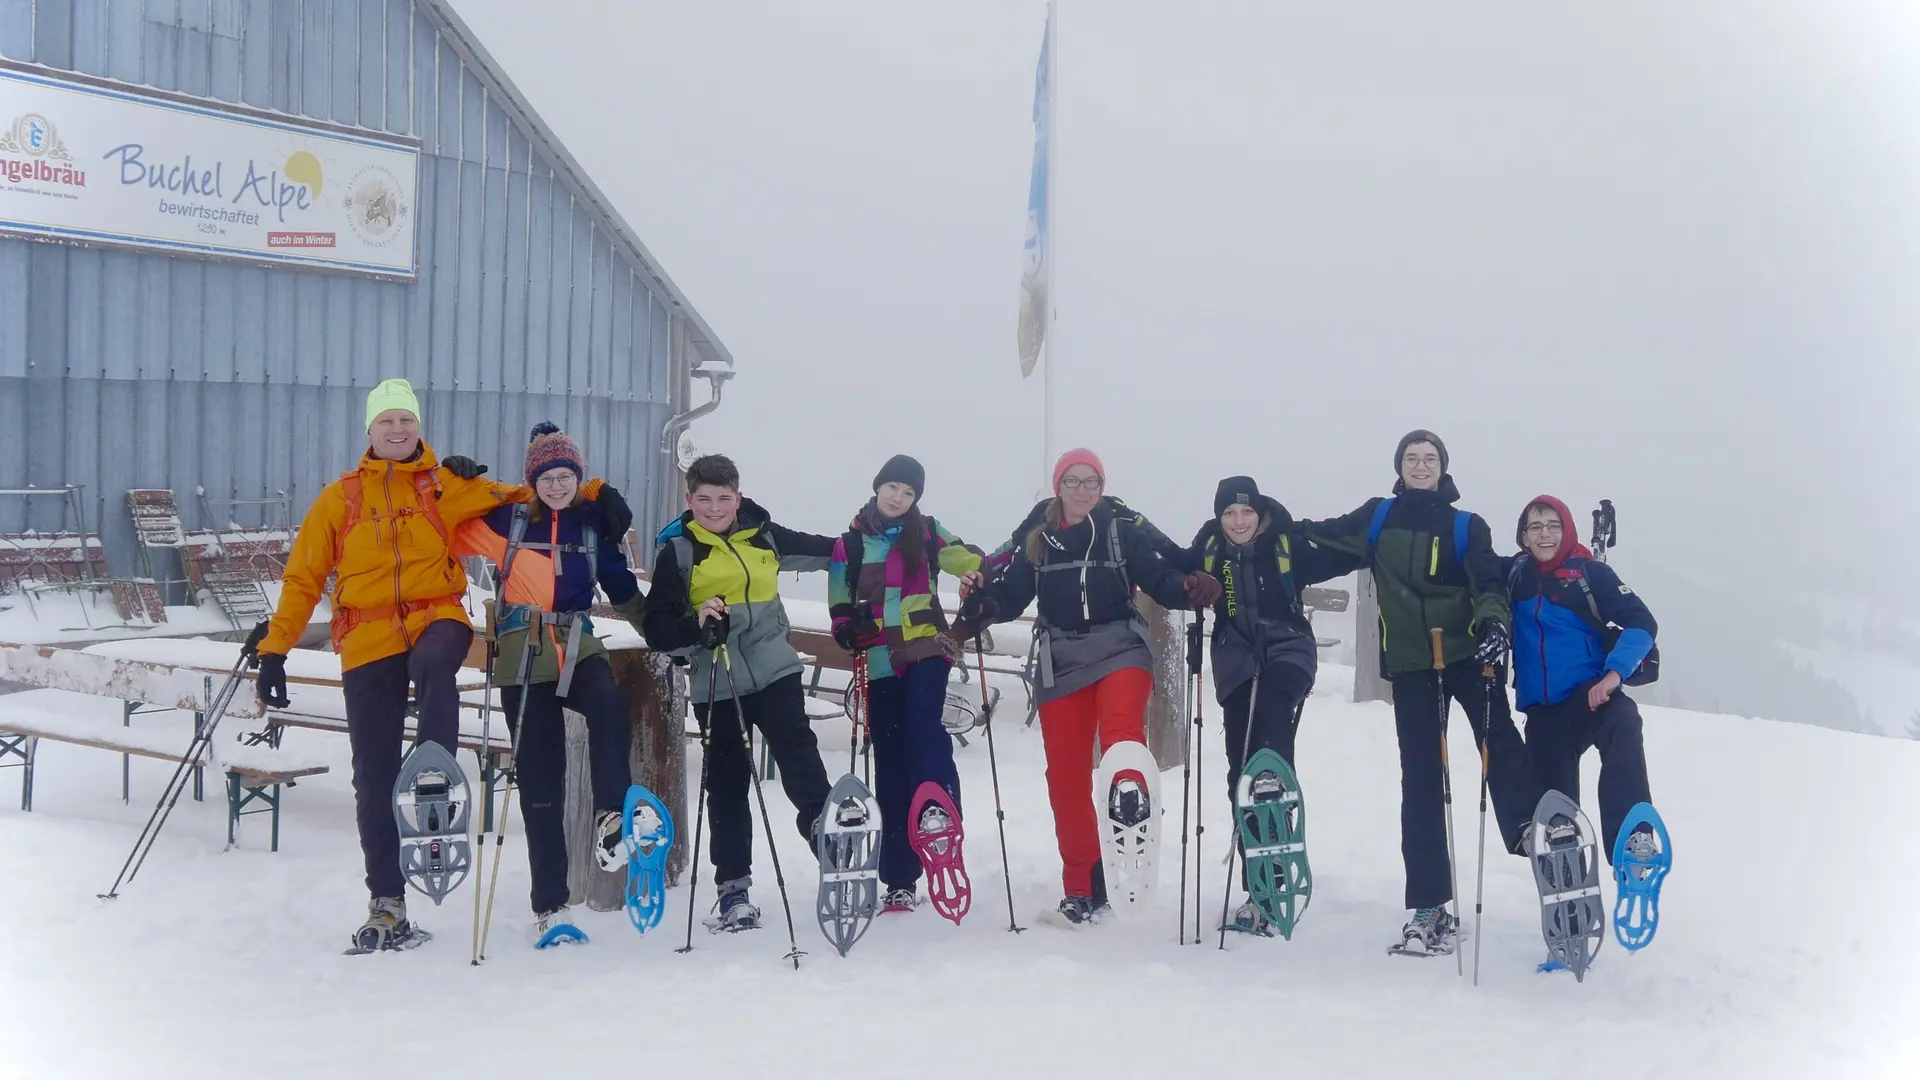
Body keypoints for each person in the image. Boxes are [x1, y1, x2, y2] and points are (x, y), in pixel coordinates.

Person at [253, 379, 631, 952]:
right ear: (371, 431)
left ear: (419, 426)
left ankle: (435, 767)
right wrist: (275, 648)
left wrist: (598, 491)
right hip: (367, 632)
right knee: (373, 776)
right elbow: (304, 576)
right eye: (387, 422)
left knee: (436, 661)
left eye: (407, 421)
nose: (398, 431)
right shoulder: (341, 498)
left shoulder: (445, 485)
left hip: (437, 616)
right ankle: (388, 904)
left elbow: (533, 491)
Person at [1302, 429, 1539, 955]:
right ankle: (1429, 904)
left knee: (1497, 739)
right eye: (1412, 458)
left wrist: (1493, 625)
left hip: (1469, 657)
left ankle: (1530, 829)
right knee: (1424, 779)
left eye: (1429, 458)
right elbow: (1326, 537)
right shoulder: (1379, 517)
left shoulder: (1466, 526)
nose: (1420, 465)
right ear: (1400, 466)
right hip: (1413, 665)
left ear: (1443, 468)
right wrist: (1273, 533)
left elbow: (1487, 583)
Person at [963, 448, 1220, 924]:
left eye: (1091, 482)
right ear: (1057, 487)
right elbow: (1012, 591)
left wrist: (1188, 587)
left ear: (1102, 488)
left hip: (1120, 648)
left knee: (1122, 736)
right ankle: (1084, 885)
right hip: (1061, 661)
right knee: (1064, 779)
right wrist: (983, 604)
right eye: (1072, 482)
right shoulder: (1038, 542)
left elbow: (1160, 577)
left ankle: (1129, 804)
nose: (1082, 490)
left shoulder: (1122, 534)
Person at [452, 423, 649, 944]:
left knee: (608, 702)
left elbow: (626, 592)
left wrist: (670, 636)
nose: (557, 485)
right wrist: (461, 483)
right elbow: (444, 527)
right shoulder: (506, 522)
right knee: (542, 787)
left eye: (567, 476)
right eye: (548, 476)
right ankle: (551, 907)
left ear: (578, 479)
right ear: (532, 480)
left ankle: (611, 815)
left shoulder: (591, 527)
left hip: (578, 642)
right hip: (523, 651)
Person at [642, 453, 838, 931]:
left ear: (739, 498)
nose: (714, 508)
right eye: (704, 499)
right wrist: (697, 624)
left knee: (796, 745)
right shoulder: (679, 552)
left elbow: (830, 550)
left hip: (774, 665)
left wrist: (866, 539)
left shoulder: (764, 535)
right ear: (689, 500)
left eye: (723, 499)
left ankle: (825, 829)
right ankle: (733, 891)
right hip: (717, 677)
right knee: (727, 782)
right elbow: (659, 629)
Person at [1187, 476, 1362, 934]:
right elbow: (1170, 573)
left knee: (1269, 741)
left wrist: (1379, 540)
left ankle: (1274, 806)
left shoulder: (1288, 546)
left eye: (1246, 512)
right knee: (1238, 773)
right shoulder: (1208, 549)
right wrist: (1186, 583)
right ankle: (1259, 888)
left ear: (1259, 514)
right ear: (1219, 517)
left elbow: (1342, 552)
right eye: (1229, 513)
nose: (1238, 521)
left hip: (1288, 653)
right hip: (1235, 661)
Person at [826, 455, 985, 914]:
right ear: (877, 487)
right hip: (877, 661)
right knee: (891, 763)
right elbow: (839, 609)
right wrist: (847, 631)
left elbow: (965, 560)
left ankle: (938, 813)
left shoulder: (929, 532)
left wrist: (975, 573)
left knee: (922, 726)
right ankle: (899, 877)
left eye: (909, 492)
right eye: (893, 487)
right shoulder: (850, 546)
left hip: (927, 649)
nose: (899, 498)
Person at [1506, 495, 1660, 868]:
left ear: (1567, 530)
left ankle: (1632, 840)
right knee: (1558, 823)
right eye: (1536, 527)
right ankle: (1568, 902)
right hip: (1544, 715)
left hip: (1592, 697)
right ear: (1523, 536)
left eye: (1553, 526)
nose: (1545, 535)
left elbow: (1643, 623)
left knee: (1624, 721)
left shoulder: (1590, 574)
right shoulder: (1513, 576)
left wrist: (1613, 674)